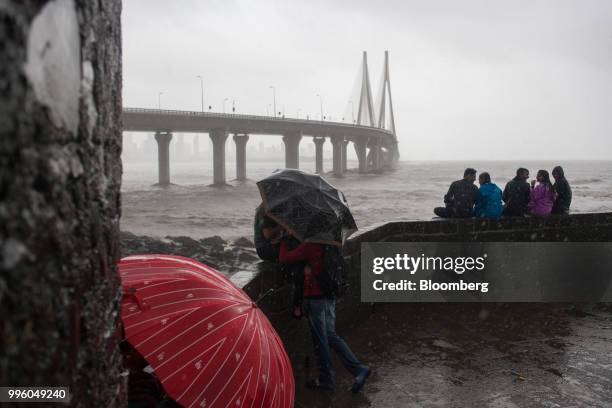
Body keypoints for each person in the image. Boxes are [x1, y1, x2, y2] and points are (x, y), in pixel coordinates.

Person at [278, 234, 370, 393]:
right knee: (330, 335)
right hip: (330, 296)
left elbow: (284, 258)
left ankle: (328, 379)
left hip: (315, 299)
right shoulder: (332, 244)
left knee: (321, 341)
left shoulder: (311, 245)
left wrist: (284, 241)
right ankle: (358, 369)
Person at [254, 204, 304, 318]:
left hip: (275, 244)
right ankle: (297, 305)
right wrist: (284, 226)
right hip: (265, 248)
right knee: (299, 263)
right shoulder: (266, 209)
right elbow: (267, 235)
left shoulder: (277, 205)